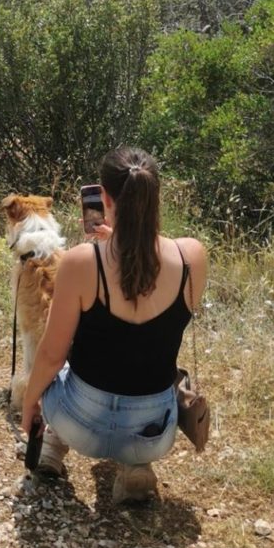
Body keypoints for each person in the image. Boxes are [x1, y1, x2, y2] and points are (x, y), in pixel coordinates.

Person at [19, 146, 208, 504]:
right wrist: (122, 242)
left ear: (103, 198)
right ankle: (135, 467)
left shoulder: (81, 262)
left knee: (56, 364)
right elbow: (147, 312)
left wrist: (29, 406)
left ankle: (53, 449)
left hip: (80, 424)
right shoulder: (191, 257)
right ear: (155, 199)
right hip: (152, 432)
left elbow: (50, 357)